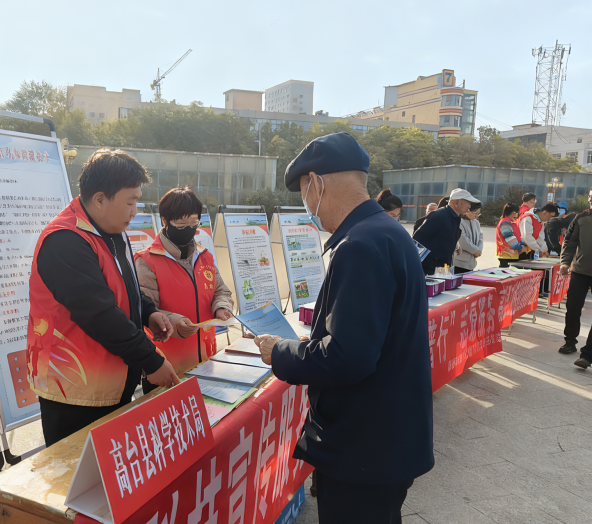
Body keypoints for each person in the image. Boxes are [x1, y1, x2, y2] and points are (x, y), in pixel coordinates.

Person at [253, 133, 434, 523]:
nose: (307, 206)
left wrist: (280, 351)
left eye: (304, 191)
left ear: (315, 183)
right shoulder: (387, 232)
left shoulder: (358, 245)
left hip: (363, 445)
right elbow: (367, 336)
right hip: (389, 437)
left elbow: (347, 357)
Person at [27, 149, 180, 448]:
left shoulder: (112, 231)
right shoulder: (65, 240)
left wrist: (148, 312)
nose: (135, 211)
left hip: (112, 379)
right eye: (130, 202)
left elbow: (125, 286)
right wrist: (150, 360)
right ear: (99, 199)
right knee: (74, 482)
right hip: (74, 391)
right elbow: (99, 313)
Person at [135, 186, 235, 379]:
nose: (188, 230)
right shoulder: (147, 260)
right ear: (164, 221)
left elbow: (221, 290)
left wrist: (221, 308)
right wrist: (175, 322)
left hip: (207, 360)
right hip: (166, 367)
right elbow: (143, 309)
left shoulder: (204, 256)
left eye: (194, 223)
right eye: (181, 225)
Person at [559, 188, 592, 369]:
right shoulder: (581, 219)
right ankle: (570, 341)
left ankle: (588, 354)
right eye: (590, 197)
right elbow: (570, 242)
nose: (590, 200)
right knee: (572, 307)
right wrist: (565, 262)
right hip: (580, 271)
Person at [413, 188, 480, 275]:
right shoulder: (438, 216)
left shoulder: (456, 219)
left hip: (443, 269)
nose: (469, 206)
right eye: (468, 203)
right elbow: (417, 240)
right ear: (458, 202)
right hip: (429, 270)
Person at [455, 202, 483, 274]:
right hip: (459, 262)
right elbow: (462, 240)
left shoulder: (476, 222)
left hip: (471, 263)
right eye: (475, 213)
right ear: (467, 210)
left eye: (478, 213)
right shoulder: (459, 221)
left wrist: (479, 250)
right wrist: (475, 250)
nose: (477, 215)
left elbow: (481, 237)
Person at [496, 203, 527, 268]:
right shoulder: (504, 223)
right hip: (506, 255)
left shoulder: (511, 222)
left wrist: (523, 243)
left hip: (512, 255)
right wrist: (521, 247)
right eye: (517, 213)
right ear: (513, 212)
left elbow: (518, 235)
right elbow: (510, 239)